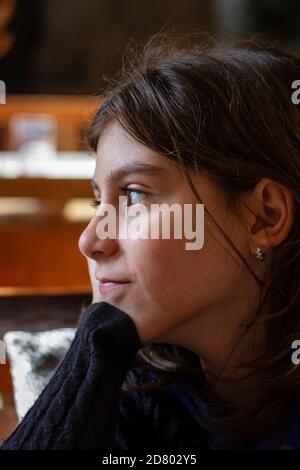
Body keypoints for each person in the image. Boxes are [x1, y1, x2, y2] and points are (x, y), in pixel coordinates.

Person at [2, 28, 300, 450]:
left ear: (264, 217)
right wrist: (95, 354)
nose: (90, 241)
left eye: (135, 194)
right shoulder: (137, 392)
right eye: (96, 203)